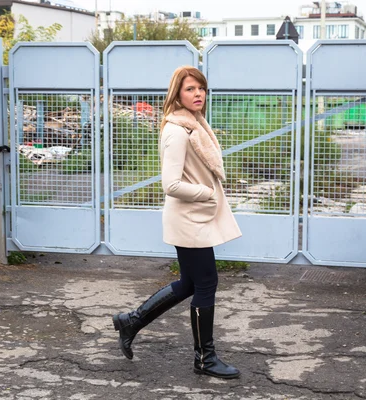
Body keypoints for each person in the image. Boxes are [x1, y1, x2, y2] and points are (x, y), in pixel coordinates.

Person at [112, 66, 242, 380]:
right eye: (190, 89)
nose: (198, 94)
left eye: (201, 88)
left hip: (195, 216)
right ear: (177, 94)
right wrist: (207, 192)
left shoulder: (195, 123)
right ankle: (204, 359)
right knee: (206, 283)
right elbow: (170, 184)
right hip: (188, 218)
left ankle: (132, 321)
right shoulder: (177, 130)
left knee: (189, 284)